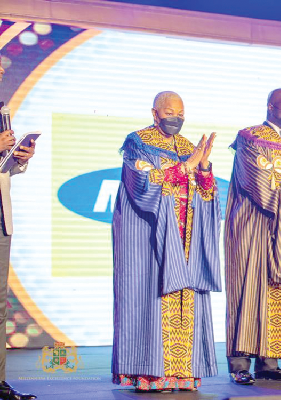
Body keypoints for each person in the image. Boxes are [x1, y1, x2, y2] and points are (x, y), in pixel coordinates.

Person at [111, 91, 221, 392]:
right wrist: (186, 167)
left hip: (187, 240)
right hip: (151, 238)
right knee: (151, 299)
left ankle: (183, 374)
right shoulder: (138, 142)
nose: (177, 117)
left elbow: (207, 193)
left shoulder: (189, 147)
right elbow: (142, 183)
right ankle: (150, 375)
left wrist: (204, 168)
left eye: (181, 112)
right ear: (155, 113)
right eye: (170, 111)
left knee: (187, 301)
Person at [225, 88, 281, 385]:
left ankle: (268, 363)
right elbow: (259, 182)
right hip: (256, 228)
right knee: (249, 292)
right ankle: (240, 364)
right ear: (270, 107)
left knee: (277, 294)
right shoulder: (251, 137)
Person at [0, 58, 37, 400]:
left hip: (1, 217)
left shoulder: (2, 111)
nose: (1, 74)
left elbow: (3, 169)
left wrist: (19, 157)